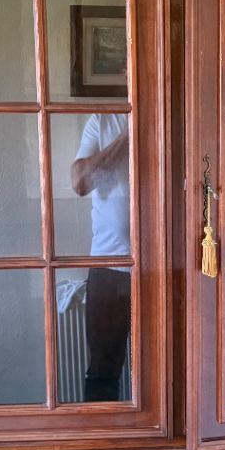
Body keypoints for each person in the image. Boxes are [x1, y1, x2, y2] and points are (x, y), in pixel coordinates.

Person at [71, 113, 131, 402]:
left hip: (164, 266)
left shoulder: (172, 112)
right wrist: (125, 138)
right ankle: (105, 444)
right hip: (110, 268)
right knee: (103, 372)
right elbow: (80, 183)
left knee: (170, 364)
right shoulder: (102, 121)